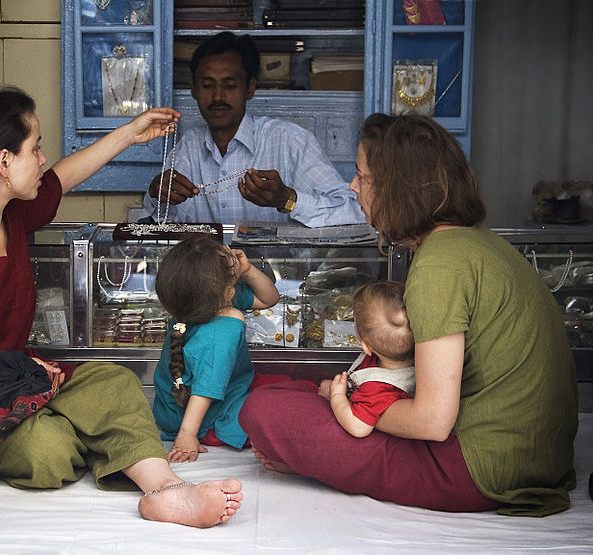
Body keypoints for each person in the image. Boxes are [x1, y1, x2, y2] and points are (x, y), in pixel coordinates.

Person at [0, 87, 243, 527]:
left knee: (114, 383)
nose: (43, 158)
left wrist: (129, 133)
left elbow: (61, 179)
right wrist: (7, 374)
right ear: (4, 161)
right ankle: (99, 438)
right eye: (35, 148)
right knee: (49, 454)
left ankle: (167, 491)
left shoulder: (11, 214)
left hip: (22, 386)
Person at [239, 113, 578, 516]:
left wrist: (351, 409)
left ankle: (315, 452)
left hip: (477, 469)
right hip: (535, 459)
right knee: (301, 390)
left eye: (362, 176)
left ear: (397, 188)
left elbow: (433, 421)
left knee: (263, 410)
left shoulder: (440, 264)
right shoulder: (480, 243)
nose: (352, 187)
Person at [139, 31, 364, 227]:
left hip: (278, 276)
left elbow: (356, 212)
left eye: (230, 85)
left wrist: (287, 199)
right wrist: (156, 194)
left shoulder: (290, 141)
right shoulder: (189, 146)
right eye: (207, 86)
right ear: (194, 90)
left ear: (250, 88)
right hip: (208, 276)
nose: (218, 96)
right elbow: (156, 222)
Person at [152, 236, 279, 462]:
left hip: (171, 409)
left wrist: (247, 270)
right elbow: (207, 387)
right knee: (284, 407)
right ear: (228, 292)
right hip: (204, 419)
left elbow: (269, 298)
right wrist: (187, 435)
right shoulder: (225, 326)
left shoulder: (194, 301)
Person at [319, 281, 415, 438]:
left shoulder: (377, 389)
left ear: (365, 346)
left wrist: (337, 397)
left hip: (379, 440)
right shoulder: (400, 358)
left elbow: (358, 427)